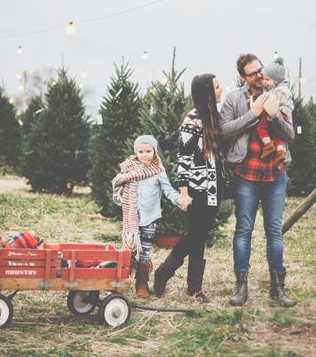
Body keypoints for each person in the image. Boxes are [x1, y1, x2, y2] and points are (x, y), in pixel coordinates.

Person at [219, 53, 296, 307]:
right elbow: (224, 131)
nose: (259, 75)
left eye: (260, 70)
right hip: (246, 174)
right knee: (244, 230)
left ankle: (278, 287)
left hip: (275, 174)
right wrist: (252, 114)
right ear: (243, 77)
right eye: (252, 73)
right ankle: (241, 287)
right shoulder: (233, 99)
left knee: (274, 231)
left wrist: (274, 116)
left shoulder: (278, 95)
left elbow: (290, 134)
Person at [153, 74, 224, 302]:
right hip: (197, 188)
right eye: (216, 86)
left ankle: (194, 288)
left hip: (214, 187)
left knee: (199, 236)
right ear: (207, 93)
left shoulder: (213, 118)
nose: (221, 89)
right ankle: (164, 272)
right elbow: (183, 159)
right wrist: (184, 193)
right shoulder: (192, 122)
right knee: (196, 234)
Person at [112, 135, 191, 298]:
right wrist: (121, 198)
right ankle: (123, 280)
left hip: (150, 217)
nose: (144, 154)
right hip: (132, 218)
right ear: (136, 152)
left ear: (154, 151)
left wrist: (180, 199)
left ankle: (142, 283)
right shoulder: (129, 170)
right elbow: (118, 187)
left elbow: (168, 190)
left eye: (148, 151)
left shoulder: (158, 171)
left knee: (145, 251)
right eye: (140, 151)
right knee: (129, 250)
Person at [256, 57, 294, 166]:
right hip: (281, 113)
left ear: (276, 80)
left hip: (278, 113)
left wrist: (257, 99)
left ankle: (268, 146)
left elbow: (271, 99)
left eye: (267, 80)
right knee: (275, 132)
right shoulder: (278, 88)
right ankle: (280, 151)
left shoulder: (280, 90)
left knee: (261, 128)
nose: (264, 82)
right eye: (264, 79)